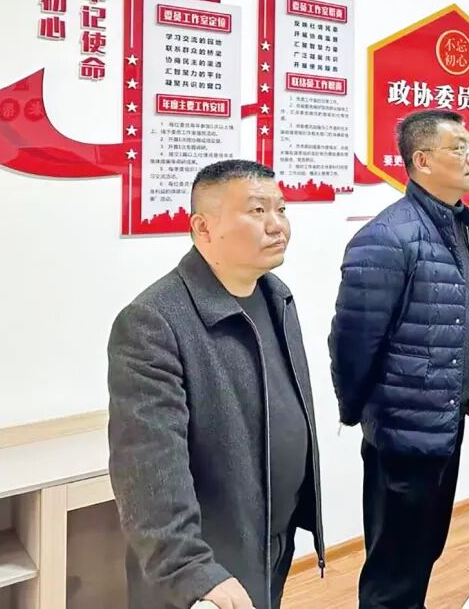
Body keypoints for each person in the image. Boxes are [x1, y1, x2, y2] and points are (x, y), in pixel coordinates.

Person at [107, 160, 324, 609]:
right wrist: (191, 570)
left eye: (281, 209)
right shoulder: (153, 321)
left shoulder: (276, 296)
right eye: (257, 211)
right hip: (206, 569)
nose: (277, 225)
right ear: (203, 228)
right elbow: (147, 470)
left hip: (270, 543)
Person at [329, 110, 469, 609]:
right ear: (421, 161)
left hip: (442, 423)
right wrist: (361, 413)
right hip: (403, 433)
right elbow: (352, 342)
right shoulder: (388, 236)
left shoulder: (456, 223)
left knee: (422, 553)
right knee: (393, 572)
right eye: (459, 147)